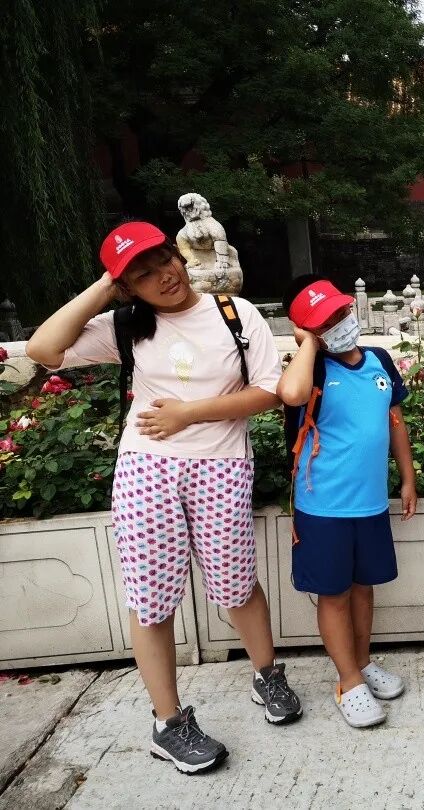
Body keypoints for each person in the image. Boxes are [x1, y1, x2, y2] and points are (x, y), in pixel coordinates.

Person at [26, 221, 301, 774]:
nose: (163, 277)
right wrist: (106, 288)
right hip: (147, 469)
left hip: (222, 464)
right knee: (151, 599)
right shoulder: (127, 324)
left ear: (179, 254)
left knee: (237, 584)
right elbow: (43, 348)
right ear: (126, 287)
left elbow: (270, 392)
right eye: (142, 275)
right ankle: (168, 724)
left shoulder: (235, 314)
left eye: (164, 261)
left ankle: (267, 675)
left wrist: (188, 414)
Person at [278, 275, 416, 728]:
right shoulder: (312, 370)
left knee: (363, 587)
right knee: (334, 594)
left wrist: (408, 477)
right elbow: (291, 395)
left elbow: (395, 421)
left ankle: (362, 662)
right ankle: (348, 681)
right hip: (324, 509)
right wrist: (308, 345)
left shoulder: (379, 360)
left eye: (340, 312)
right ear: (307, 330)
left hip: (371, 504)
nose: (339, 322)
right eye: (324, 321)